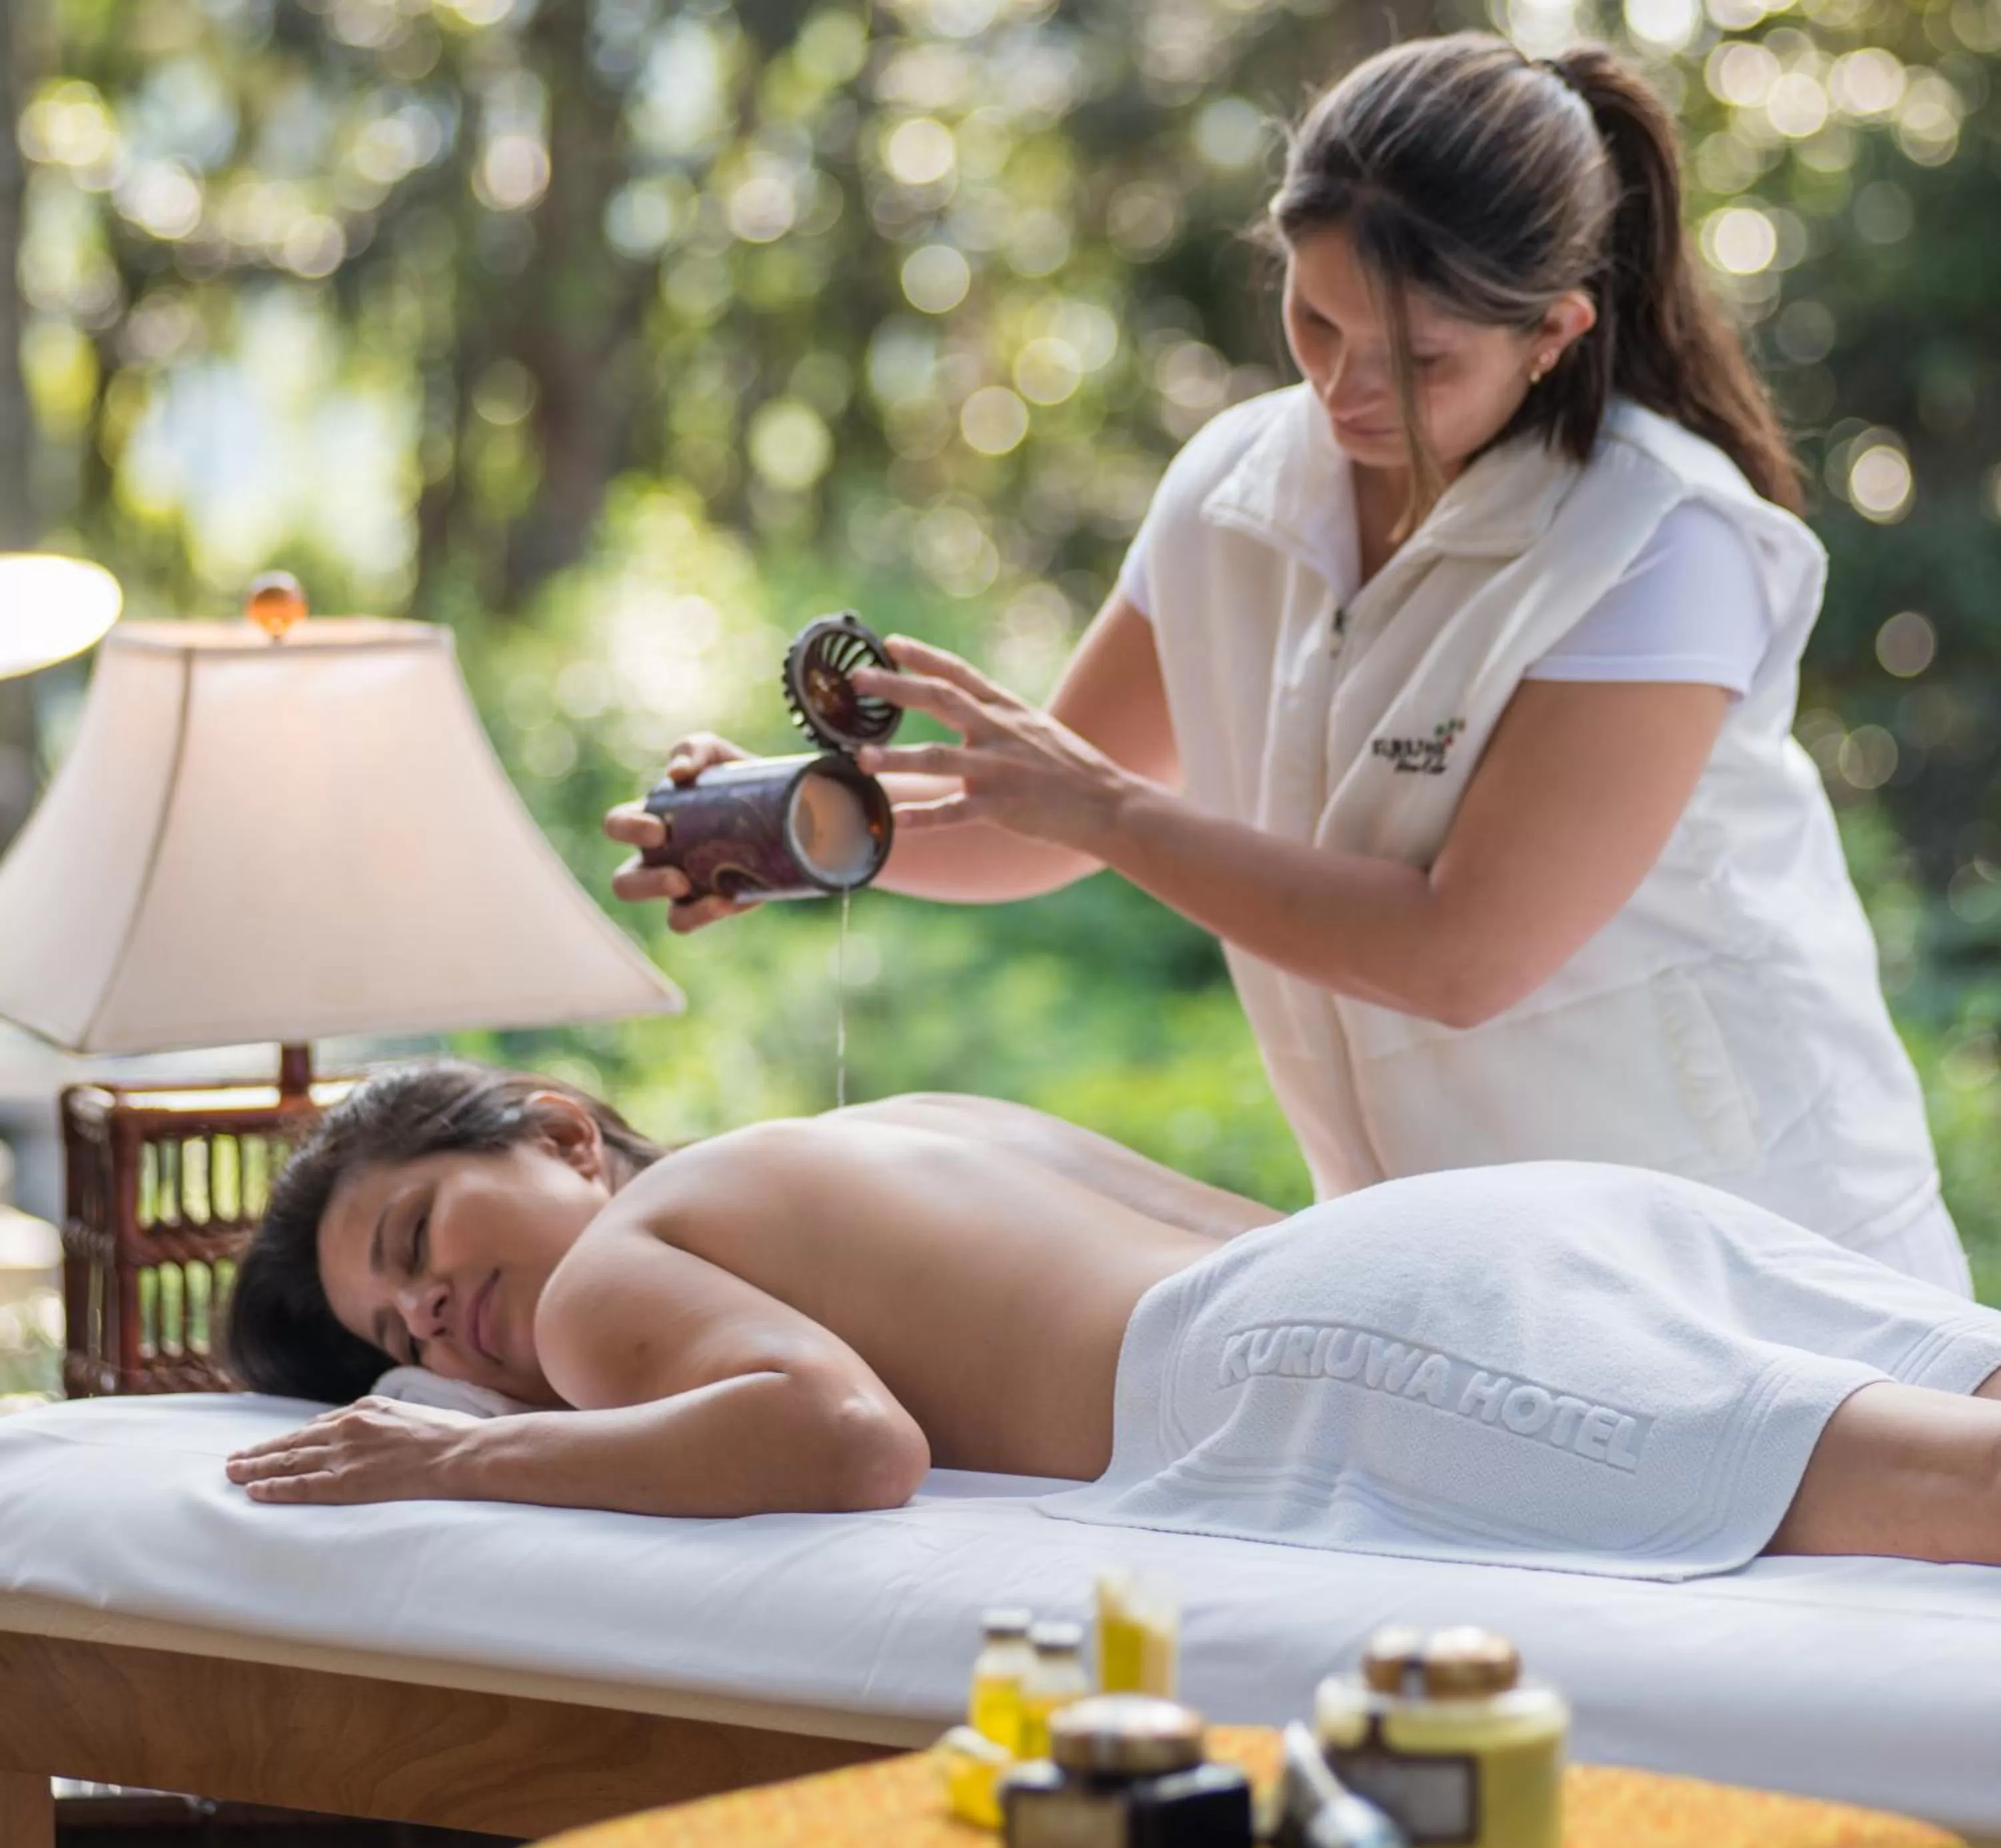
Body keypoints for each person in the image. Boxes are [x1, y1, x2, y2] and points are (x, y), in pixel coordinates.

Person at [606, 33, 1966, 1294]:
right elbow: (1045, 825)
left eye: (1419, 360)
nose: (1346, 391)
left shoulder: (1664, 544)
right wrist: (796, 827)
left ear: (1555, 333)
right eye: (1316, 325)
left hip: (1758, 1251)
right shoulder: (1234, 491)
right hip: (1460, 1268)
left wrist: (1110, 810)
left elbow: (1461, 955)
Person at [225, 1059, 2001, 1578]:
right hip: (1479, 1232)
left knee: (1953, 1490)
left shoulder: (619, 1277)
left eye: (416, 1235)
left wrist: (459, 1465)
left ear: (552, 1126)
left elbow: (846, 1444)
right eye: (407, 1336)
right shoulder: (883, 1127)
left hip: (1314, 1348)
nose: (440, 1313)